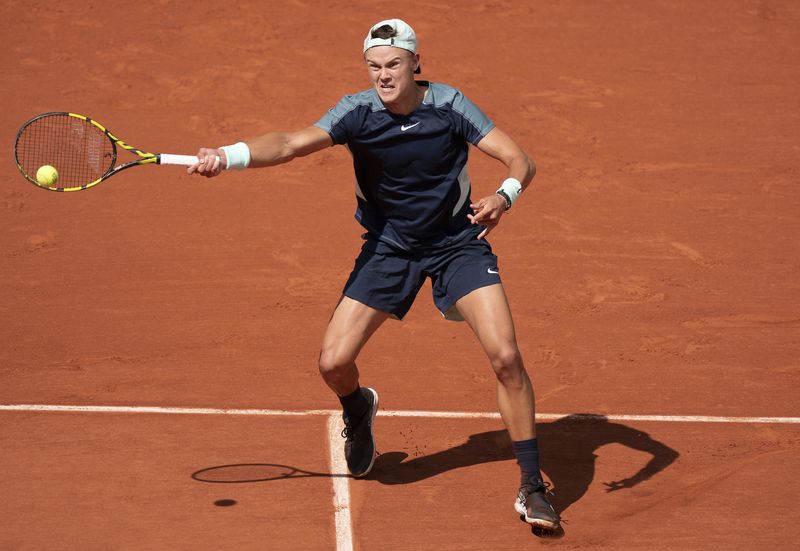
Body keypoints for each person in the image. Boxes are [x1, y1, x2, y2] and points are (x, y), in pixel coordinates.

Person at [187, 18, 559, 531]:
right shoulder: (356, 112)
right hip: (390, 249)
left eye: (393, 65)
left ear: (415, 64)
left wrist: (503, 196)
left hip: (457, 243)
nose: (383, 76)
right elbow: (291, 143)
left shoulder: (449, 105)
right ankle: (358, 407)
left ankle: (533, 486)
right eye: (374, 66)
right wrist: (227, 157)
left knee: (507, 356)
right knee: (334, 363)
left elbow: (520, 160)